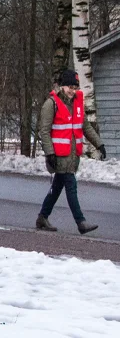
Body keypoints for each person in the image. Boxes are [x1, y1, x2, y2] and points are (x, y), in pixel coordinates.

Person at [35, 70, 106, 234]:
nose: (72, 90)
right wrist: (49, 153)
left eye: (75, 87)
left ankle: (42, 217)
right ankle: (81, 222)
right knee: (71, 186)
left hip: (73, 156)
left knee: (57, 187)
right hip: (59, 156)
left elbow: (85, 127)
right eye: (69, 87)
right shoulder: (51, 104)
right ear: (62, 86)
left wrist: (99, 144)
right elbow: (44, 131)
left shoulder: (77, 104)